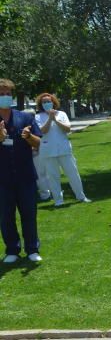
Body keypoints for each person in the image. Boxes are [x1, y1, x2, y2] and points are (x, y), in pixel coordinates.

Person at [0, 79, 43, 263]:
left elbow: (38, 142)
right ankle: (12, 250)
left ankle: (32, 249)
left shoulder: (25, 117)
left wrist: (28, 136)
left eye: (8, 94)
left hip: (25, 176)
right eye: (1, 94)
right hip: (2, 179)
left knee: (29, 213)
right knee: (5, 215)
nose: (5, 97)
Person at [34, 93, 90, 206]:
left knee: (73, 174)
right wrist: (50, 119)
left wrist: (55, 119)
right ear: (40, 104)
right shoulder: (38, 117)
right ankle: (58, 200)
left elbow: (67, 129)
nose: (46, 104)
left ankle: (81, 196)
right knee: (53, 177)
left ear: (53, 102)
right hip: (48, 151)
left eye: (48, 101)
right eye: (44, 102)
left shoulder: (62, 114)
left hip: (64, 149)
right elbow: (42, 131)